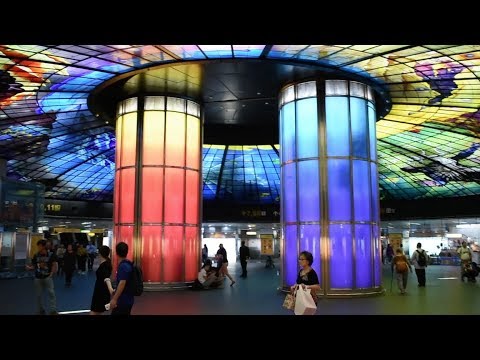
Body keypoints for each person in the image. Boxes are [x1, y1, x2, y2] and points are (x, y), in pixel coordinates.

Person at [26, 239, 58, 315]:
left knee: (51, 293)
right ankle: (41, 310)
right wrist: (30, 268)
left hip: (47, 277)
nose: (38, 248)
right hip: (38, 278)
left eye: (40, 246)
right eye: (38, 246)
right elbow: (34, 265)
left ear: (44, 246)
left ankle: (53, 310)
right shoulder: (36, 255)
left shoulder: (51, 255)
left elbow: (54, 264)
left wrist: (51, 274)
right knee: (38, 295)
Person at [110, 242, 135, 315]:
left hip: (123, 300)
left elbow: (122, 283)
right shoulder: (128, 264)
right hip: (129, 298)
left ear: (116, 253)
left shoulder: (123, 266)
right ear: (127, 252)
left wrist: (114, 299)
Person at [90, 245, 114, 315]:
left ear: (100, 253)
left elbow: (106, 278)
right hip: (101, 290)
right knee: (98, 312)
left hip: (100, 291)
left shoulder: (104, 265)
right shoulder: (107, 263)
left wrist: (110, 289)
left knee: (94, 312)